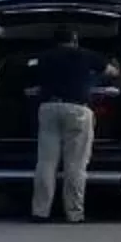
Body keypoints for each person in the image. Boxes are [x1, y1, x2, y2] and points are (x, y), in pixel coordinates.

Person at [31, 26, 104, 223]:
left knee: (46, 163)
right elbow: (112, 71)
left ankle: (40, 212)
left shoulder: (44, 57)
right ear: (75, 40)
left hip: (48, 108)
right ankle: (74, 213)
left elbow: (29, 72)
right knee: (76, 164)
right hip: (77, 109)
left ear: (55, 42)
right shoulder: (86, 55)